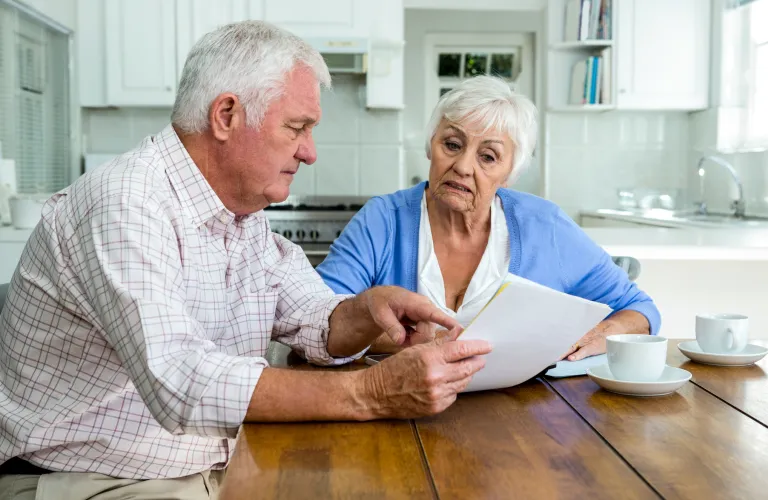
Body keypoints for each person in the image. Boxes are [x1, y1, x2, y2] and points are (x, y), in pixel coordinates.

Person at [0, 21, 492, 499]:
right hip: (94, 480)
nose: (310, 153)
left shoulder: (240, 212)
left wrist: (367, 312)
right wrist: (371, 393)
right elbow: (181, 381)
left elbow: (313, 319)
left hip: (212, 466)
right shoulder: (125, 201)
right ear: (226, 115)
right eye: (297, 128)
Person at [316, 76, 660, 358]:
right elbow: (318, 320)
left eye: (488, 157)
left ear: (509, 173)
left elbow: (639, 310)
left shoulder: (545, 226)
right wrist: (418, 343)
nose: (463, 167)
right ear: (430, 145)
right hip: (400, 413)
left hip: (521, 420)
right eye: (452, 145)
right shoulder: (383, 220)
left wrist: (596, 335)